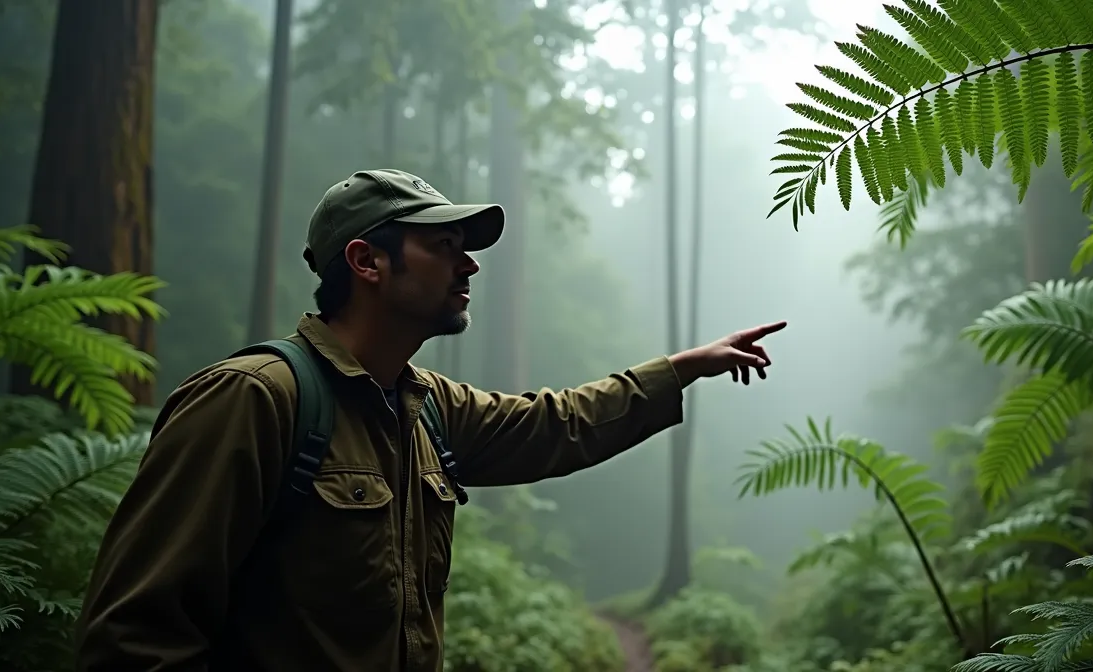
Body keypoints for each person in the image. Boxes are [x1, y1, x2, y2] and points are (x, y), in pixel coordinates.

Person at [72, 168, 787, 672]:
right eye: (443, 246)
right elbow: (136, 639)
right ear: (367, 261)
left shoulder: (426, 407)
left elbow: (556, 424)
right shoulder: (254, 400)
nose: (469, 266)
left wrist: (683, 367)